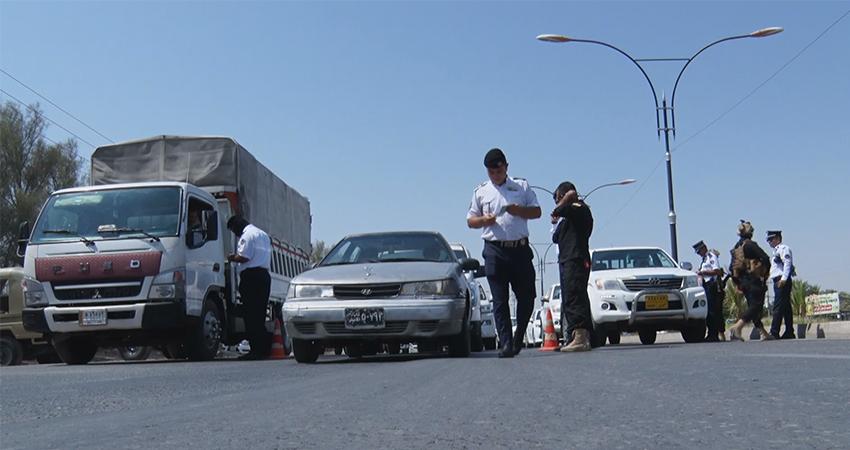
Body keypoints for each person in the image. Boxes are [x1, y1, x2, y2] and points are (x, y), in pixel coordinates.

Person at [466, 148, 541, 358]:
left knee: (527, 298)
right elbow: (470, 220)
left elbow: (537, 211)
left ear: (506, 167)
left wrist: (519, 211)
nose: (495, 175)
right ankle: (506, 343)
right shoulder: (481, 191)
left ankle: (518, 339)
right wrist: (484, 220)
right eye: (491, 172)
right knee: (499, 300)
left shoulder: (521, 186)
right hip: (494, 250)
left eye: (498, 171)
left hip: (520, 249)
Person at [550, 181, 594, 352]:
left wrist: (567, 199)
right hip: (569, 259)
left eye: (558, 199)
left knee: (575, 296)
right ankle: (574, 336)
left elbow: (558, 211)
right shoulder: (570, 216)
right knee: (570, 297)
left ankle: (581, 336)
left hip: (576, 258)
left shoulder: (578, 208)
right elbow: (556, 236)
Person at [226, 215, 273, 360]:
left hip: (251, 278)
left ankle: (256, 351)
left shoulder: (247, 236)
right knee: (259, 315)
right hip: (264, 276)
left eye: (234, 231)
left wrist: (232, 257)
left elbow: (245, 257)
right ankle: (264, 349)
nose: (236, 234)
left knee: (251, 315)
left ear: (237, 226)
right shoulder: (262, 234)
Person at [727, 220, 774, 341]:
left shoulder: (736, 247)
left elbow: (731, 268)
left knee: (753, 307)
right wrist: (765, 274)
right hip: (753, 279)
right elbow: (765, 258)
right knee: (756, 306)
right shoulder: (750, 245)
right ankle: (738, 327)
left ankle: (763, 332)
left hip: (743, 282)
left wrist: (738, 283)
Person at [767, 230, 795, 339]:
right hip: (778, 280)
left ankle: (774, 332)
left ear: (778, 238)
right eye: (768, 240)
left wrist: (783, 279)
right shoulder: (776, 251)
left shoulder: (784, 249)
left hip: (781, 280)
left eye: (771, 239)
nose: (769, 242)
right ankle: (789, 331)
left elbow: (787, 263)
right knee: (786, 307)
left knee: (778, 307)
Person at [694, 240, 724, 342]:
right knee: (709, 311)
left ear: (704, 248)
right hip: (706, 286)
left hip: (712, 285)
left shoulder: (711, 256)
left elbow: (717, 271)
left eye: (699, 251)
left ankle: (713, 334)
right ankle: (711, 333)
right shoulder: (704, 259)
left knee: (712, 311)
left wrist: (703, 272)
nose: (699, 254)